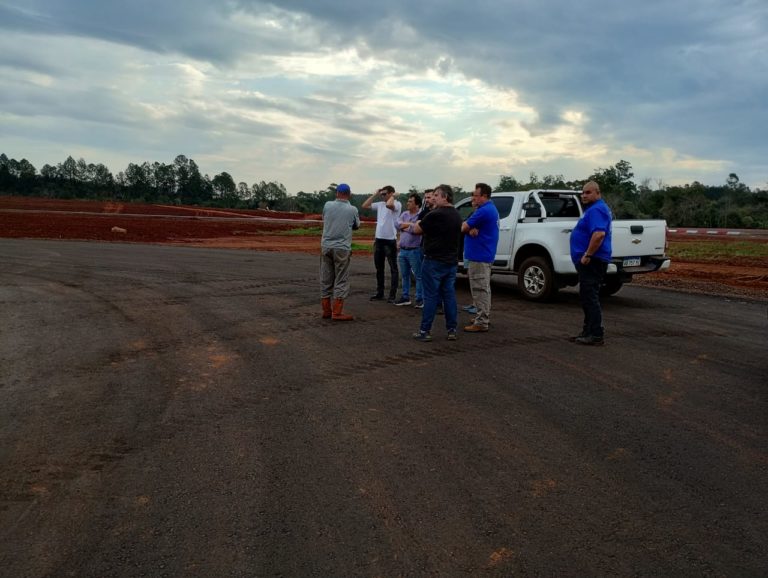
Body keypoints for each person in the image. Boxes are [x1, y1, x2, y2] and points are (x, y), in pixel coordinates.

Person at [411, 184, 462, 342]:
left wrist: (417, 222)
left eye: (436, 196)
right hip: (451, 261)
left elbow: (417, 230)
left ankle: (425, 330)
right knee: (449, 296)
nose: (433, 198)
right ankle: (451, 329)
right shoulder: (456, 215)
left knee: (431, 296)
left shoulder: (435, 214)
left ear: (444, 197)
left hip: (434, 260)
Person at [570, 180, 613, 345]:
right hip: (591, 259)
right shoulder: (595, 209)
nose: (584, 195)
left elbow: (599, 235)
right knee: (586, 295)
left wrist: (588, 254)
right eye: (583, 193)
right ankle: (587, 331)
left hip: (593, 260)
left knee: (590, 296)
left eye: (588, 192)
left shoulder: (597, 210)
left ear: (597, 193)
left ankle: (595, 334)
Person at [461, 182, 500, 333]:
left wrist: (467, 226)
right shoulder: (489, 209)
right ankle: (482, 316)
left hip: (479, 256)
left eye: (476, 195)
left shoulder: (483, 211)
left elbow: (463, 227)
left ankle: (482, 321)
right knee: (483, 288)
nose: (473, 198)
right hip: (482, 254)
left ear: (484, 196)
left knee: (480, 288)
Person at [320, 183, 360, 321]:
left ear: (337, 193)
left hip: (326, 246)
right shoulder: (352, 209)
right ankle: (336, 312)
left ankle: (326, 310)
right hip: (342, 248)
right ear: (349, 194)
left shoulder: (327, 205)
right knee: (341, 278)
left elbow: (324, 219)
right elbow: (356, 226)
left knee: (326, 277)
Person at [362, 185, 402, 303]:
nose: (383, 196)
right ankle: (380, 293)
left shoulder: (397, 204)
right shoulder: (380, 204)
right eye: (382, 194)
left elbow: (390, 205)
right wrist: (375, 194)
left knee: (393, 268)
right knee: (379, 268)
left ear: (391, 194)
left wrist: (393, 197)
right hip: (379, 240)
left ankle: (392, 295)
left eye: (385, 194)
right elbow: (364, 205)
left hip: (390, 240)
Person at [395, 193, 423, 307]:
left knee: (418, 275)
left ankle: (419, 298)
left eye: (410, 201)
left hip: (414, 250)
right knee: (405, 275)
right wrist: (411, 225)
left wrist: (406, 227)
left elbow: (417, 230)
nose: (408, 203)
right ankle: (405, 297)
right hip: (403, 250)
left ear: (417, 204)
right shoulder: (404, 214)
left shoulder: (420, 215)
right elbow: (397, 225)